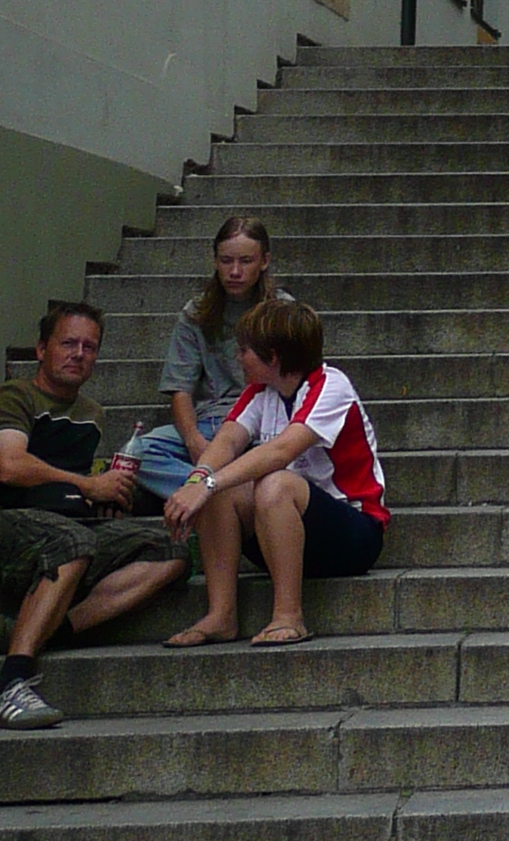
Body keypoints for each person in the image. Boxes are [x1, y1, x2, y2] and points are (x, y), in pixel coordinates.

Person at [0, 300, 186, 728]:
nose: (79, 354)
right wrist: (86, 485)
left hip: (67, 525)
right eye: (68, 343)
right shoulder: (16, 395)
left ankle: (50, 628)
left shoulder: (92, 414)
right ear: (41, 349)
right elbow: (9, 466)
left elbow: (68, 486)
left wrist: (100, 499)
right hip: (13, 523)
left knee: (170, 551)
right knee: (72, 542)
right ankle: (13, 679)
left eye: (89, 346)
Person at [164, 298, 386, 648]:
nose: (238, 359)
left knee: (274, 483)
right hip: (283, 529)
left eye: (244, 351)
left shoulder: (331, 386)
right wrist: (198, 480)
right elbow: (227, 441)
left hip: (353, 533)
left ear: (273, 357)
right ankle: (221, 614)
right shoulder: (261, 392)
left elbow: (281, 450)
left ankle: (288, 616)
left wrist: (207, 483)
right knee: (224, 485)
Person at [131, 213, 292, 502]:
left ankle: (215, 493)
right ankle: (225, 496)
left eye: (245, 261)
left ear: (264, 261)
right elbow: (180, 389)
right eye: (226, 261)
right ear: (215, 261)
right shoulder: (196, 313)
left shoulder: (283, 312)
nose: (234, 271)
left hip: (265, 422)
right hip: (212, 422)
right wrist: (193, 440)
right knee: (139, 453)